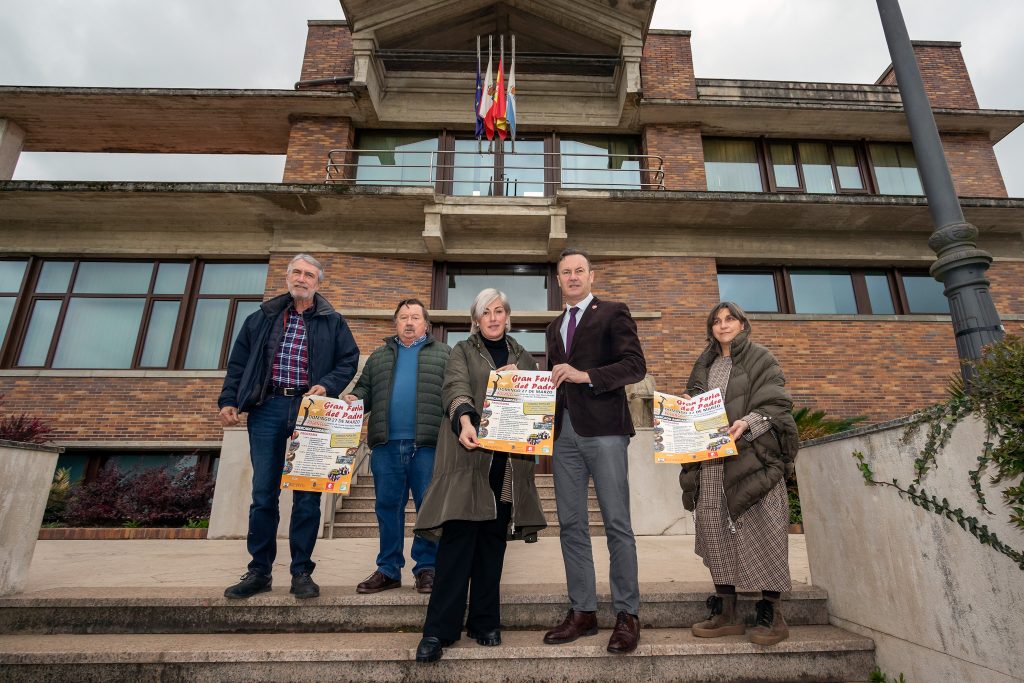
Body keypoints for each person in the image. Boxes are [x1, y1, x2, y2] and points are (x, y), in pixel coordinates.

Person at [413, 288, 547, 663]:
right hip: (467, 457)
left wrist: (519, 381)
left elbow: (536, 405)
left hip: (506, 465)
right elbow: (453, 387)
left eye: (499, 310)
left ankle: (485, 621)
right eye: (485, 311)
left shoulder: (525, 358)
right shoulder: (462, 351)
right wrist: (465, 418)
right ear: (476, 318)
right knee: (457, 544)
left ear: (507, 316)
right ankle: (439, 630)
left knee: (492, 544)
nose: (492, 317)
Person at [218, 253, 359, 600]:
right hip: (267, 408)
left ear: (318, 283)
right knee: (263, 494)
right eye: (296, 272)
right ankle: (259, 571)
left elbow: (348, 361)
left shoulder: (333, 321)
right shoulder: (261, 318)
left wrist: (326, 384)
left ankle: (301, 572)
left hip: (312, 412)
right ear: (287, 277)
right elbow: (238, 363)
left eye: (309, 274)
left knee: (308, 497)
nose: (302, 278)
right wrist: (228, 399)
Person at [542, 247, 647, 654]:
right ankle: (583, 612)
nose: (572, 277)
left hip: (604, 430)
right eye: (565, 272)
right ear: (558, 279)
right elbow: (556, 377)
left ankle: (627, 614)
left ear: (591, 276)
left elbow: (634, 365)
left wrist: (586, 375)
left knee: (617, 523)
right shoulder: (553, 327)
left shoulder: (613, 312)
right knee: (571, 525)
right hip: (564, 434)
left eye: (579, 270)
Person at [678, 301, 799, 646]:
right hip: (711, 464)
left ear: (743, 324)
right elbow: (694, 409)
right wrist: (682, 410)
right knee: (715, 532)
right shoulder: (704, 365)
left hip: (752, 460)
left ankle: (772, 613)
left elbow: (777, 404)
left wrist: (747, 423)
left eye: (729, 319)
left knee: (766, 535)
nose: (723, 325)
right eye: (716, 321)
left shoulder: (762, 358)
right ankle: (726, 611)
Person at [343, 298, 449, 595]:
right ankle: (388, 569)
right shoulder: (378, 357)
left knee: (429, 509)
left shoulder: (444, 355)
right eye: (404, 317)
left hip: (427, 446)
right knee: (387, 508)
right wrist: (354, 399)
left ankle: (426, 567)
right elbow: (363, 389)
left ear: (426, 324)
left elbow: (456, 391)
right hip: (386, 446)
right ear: (396, 323)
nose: (409, 322)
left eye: (416, 317)